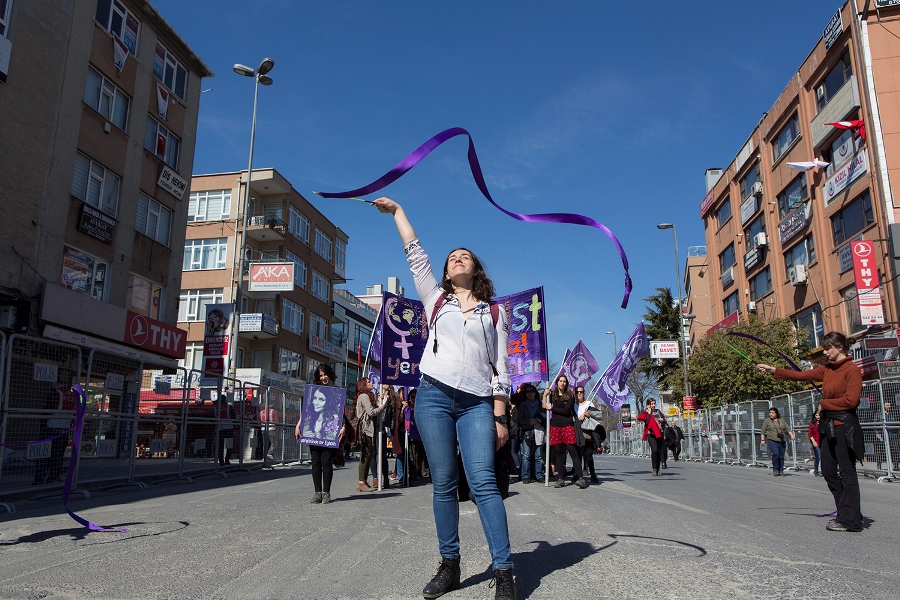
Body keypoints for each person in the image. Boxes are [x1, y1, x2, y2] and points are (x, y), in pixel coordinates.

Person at [375, 196, 517, 600]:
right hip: (433, 397)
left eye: (464, 257)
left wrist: (500, 415)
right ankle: (449, 565)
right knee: (443, 483)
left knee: (484, 483)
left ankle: (504, 570)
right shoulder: (435, 298)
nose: (457, 259)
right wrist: (399, 211)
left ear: (475, 270)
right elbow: (414, 252)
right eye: (452, 256)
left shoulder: (494, 314)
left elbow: (500, 368)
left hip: (475, 403)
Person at [757, 331, 863, 532]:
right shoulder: (827, 369)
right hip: (828, 428)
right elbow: (800, 375)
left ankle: (850, 520)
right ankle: (847, 512)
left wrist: (825, 403)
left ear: (839, 347)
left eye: (828, 348)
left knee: (848, 474)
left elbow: (851, 400)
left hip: (844, 428)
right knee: (828, 471)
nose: (825, 352)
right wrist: (773, 370)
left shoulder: (851, 370)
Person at [296, 364, 345, 504]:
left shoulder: (336, 392)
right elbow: (307, 410)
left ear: (330, 374)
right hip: (313, 430)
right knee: (316, 461)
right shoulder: (314, 390)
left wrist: (343, 427)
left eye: (325, 374)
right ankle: (317, 492)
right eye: (320, 375)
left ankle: (326, 492)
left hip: (330, 432)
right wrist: (299, 424)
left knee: (326, 461)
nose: (323, 378)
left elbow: (341, 414)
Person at [542, 375, 586, 489]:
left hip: (567, 425)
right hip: (555, 426)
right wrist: (544, 395)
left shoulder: (570, 395)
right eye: (560, 381)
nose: (562, 383)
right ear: (557, 382)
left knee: (572, 450)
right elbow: (544, 406)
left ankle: (581, 478)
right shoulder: (553, 394)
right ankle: (560, 478)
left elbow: (567, 411)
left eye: (564, 381)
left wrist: (552, 408)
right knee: (558, 451)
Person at [355, 377, 388, 493]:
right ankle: (361, 482)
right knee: (366, 455)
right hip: (366, 429)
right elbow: (371, 412)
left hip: (367, 429)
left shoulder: (365, 396)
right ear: (363, 385)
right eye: (368, 382)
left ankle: (363, 481)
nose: (371, 382)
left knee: (368, 455)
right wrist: (381, 407)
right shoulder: (364, 396)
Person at [512, 384, 545, 484]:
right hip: (527, 431)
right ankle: (525, 475)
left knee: (538, 455)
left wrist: (537, 420)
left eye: (531, 391)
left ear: (535, 392)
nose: (529, 393)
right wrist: (529, 421)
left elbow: (544, 415)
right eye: (527, 392)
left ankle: (539, 475)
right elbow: (520, 419)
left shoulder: (540, 404)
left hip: (539, 430)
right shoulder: (523, 405)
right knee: (526, 455)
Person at [574, 386, 602, 484]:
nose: (579, 394)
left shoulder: (589, 404)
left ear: (584, 393)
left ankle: (593, 475)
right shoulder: (573, 405)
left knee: (588, 455)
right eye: (577, 392)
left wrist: (589, 414)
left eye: (581, 392)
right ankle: (577, 474)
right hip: (577, 433)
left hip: (587, 434)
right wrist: (578, 419)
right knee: (577, 455)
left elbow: (598, 416)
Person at [759, 407, 795, 476]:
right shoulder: (767, 421)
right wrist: (762, 440)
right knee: (776, 454)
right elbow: (763, 431)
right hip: (772, 440)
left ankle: (781, 470)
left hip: (782, 440)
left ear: (776, 413)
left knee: (781, 456)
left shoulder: (781, 421)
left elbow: (787, 429)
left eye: (773, 413)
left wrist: (791, 435)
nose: (771, 414)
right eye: (770, 413)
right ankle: (775, 469)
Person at [636, 398, 667, 476]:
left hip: (659, 433)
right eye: (652, 404)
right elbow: (645, 420)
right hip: (651, 434)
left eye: (654, 403)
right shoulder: (646, 413)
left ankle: (658, 469)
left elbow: (664, 420)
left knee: (659, 451)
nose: (653, 405)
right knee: (654, 450)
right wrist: (649, 413)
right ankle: (654, 468)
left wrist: (662, 420)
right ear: (648, 405)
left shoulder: (658, 411)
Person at [217, 393, 237, 466]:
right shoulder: (229, 407)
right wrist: (234, 426)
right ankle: (227, 460)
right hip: (229, 427)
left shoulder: (217, 407)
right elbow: (234, 417)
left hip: (220, 428)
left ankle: (221, 461)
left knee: (220, 445)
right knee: (229, 444)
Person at [808, 407, 821, 476]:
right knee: (818, 456)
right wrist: (813, 442)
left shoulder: (823, 422)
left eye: (819, 415)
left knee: (823, 457)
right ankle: (816, 470)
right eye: (816, 415)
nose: (818, 417)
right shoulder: (812, 423)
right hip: (816, 442)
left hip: (823, 442)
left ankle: (823, 470)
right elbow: (810, 434)